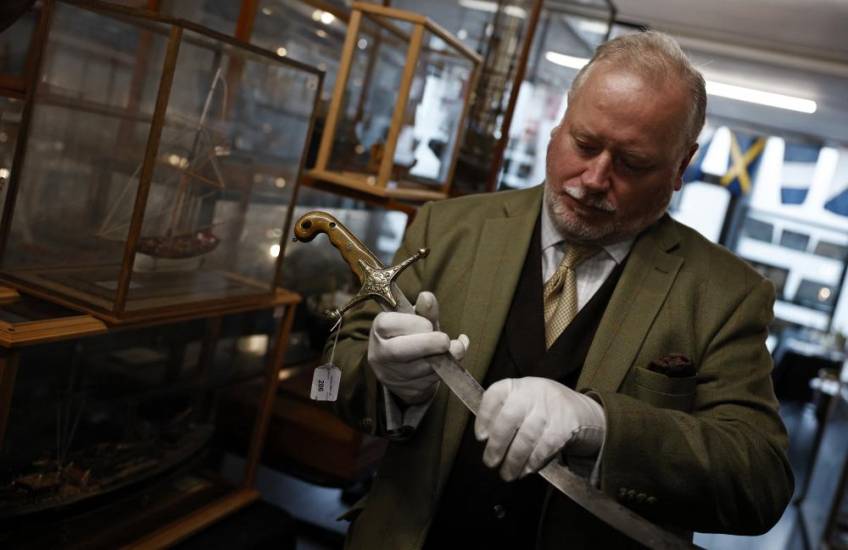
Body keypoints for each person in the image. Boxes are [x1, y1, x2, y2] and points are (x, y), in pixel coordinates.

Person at [330, 31, 794, 549]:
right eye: (585, 144)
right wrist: (390, 382)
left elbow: (759, 481)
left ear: (681, 165)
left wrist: (601, 426)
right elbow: (336, 376)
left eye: (632, 164)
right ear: (559, 123)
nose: (595, 179)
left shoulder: (726, 294)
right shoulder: (445, 229)